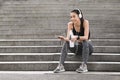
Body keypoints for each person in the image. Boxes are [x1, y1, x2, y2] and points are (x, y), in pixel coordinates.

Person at [53, 9, 93, 73]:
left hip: (88, 48)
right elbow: (68, 38)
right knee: (66, 42)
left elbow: (86, 37)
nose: (72, 18)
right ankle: (61, 66)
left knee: (85, 41)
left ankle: (84, 66)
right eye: (71, 17)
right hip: (78, 49)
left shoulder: (85, 22)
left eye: (74, 16)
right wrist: (64, 38)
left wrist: (77, 37)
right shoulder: (70, 24)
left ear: (80, 16)